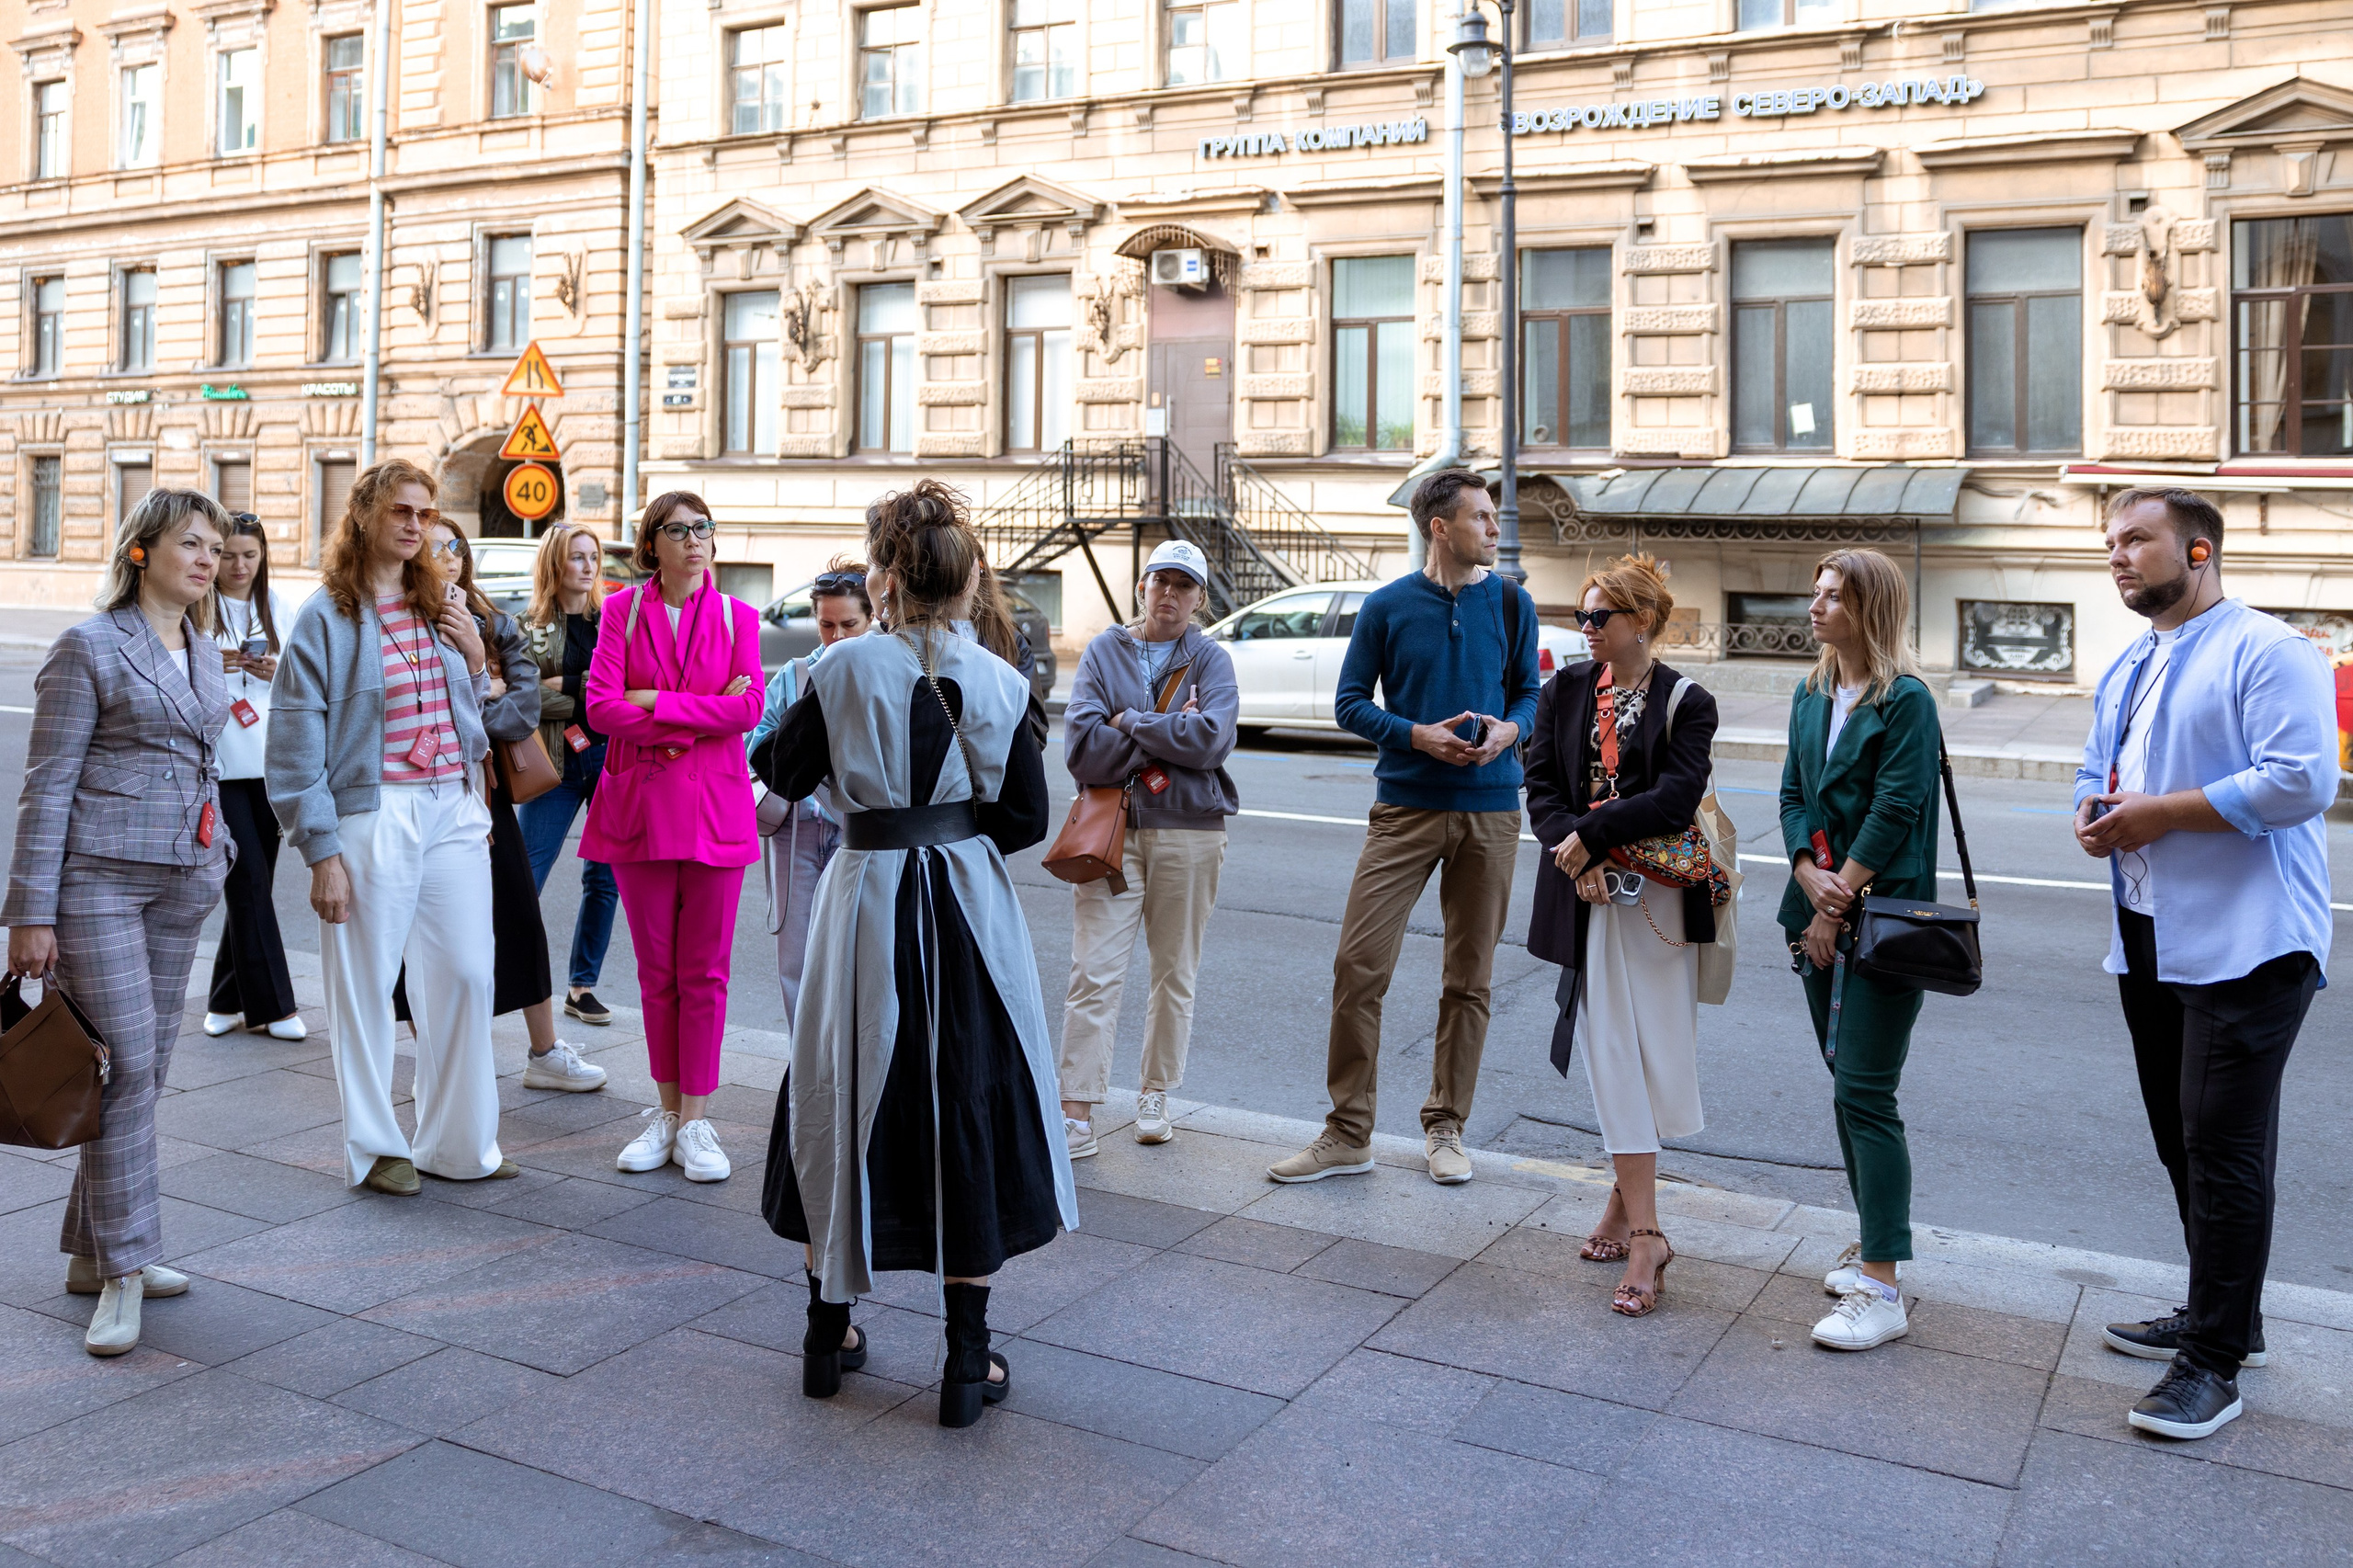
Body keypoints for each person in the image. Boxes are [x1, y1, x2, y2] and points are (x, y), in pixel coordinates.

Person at [753, 480, 1073, 1430]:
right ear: (969, 580)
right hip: (966, 908)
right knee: (965, 1100)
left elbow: (782, 769)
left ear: (884, 577)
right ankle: (965, 1363)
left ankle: (826, 1334)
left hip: (865, 899)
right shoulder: (1003, 683)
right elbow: (1023, 818)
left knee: (841, 1090)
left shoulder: (840, 668)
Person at [2073, 487, 2336, 1442]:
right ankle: (2226, 1312)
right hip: (2150, 932)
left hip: (2251, 939)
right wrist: (2091, 816)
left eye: (2135, 538)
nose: (2117, 555)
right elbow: (2092, 768)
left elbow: (2303, 777)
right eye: (2109, 541)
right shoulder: (2130, 663)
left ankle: (2212, 1364)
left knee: (2222, 1149)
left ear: (2196, 551)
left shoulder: (2266, 649)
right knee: (2182, 1138)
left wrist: (2160, 812)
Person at [5, 489, 232, 1356]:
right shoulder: (89, 647)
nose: (207, 559)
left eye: (215, 546)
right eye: (190, 543)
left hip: (185, 878)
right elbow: (46, 784)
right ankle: (127, 1269)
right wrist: (29, 912)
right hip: (97, 882)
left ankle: (90, 1252)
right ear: (142, 551)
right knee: (125, 1065)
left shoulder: (204, 648)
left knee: (143, 1070)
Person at [1268, 469, 1540, 1187]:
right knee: (1359, 967)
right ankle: (1348, 1132)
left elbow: (1529, 695)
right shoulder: (1387, 606)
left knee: (1469, 979)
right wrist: (1417, 736)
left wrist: (1510, 731)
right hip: (1404, 808)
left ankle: (1447, 1126)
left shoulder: (1513, 604)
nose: (1493, 528)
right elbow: (1350, 703)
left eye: (1493, 515)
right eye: (1481, 517)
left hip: (1490, 810)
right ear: (1439, 527)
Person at [267, 458, 517, 1197]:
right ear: (365, 518)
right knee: (364, 984)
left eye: (426, 515)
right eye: (402, 512)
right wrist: (322, 851)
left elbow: (471, 719)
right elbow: (292, 744)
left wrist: (473, 658)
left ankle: (457, 1142)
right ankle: (377, 1149)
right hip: (371, 811)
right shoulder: (327, 616)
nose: (416, 526)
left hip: (452, 805)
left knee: (468, 975)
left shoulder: (441, 603)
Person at [1524, 553, 1718, 1317]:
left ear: (1641, 622)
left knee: (1654, 1055)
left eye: (1599, 617)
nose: (1586, 629)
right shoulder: (1566, 688)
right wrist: (1575, 857)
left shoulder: (1687, 701)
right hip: (1590, 899)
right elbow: (1539, 783)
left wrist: (1594, 836)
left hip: (1659, 904)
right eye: (1581, 616)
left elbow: (1677, 797)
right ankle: (1647, 1233)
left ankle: (1617, 1206)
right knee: (1611, 1054)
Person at [1778, 548, 1940, 1353]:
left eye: (1834, 596)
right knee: (1846, 1086)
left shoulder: (1904, 700)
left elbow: (1898, 804)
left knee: (1867, 1096)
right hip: (1818, 909)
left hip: (1881, 923)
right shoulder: (1812, 694)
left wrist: (1836, 900)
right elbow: (1792, 796)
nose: (1816, 607)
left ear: (1869, 609)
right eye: (1816, 593)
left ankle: (1882, 1284)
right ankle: (1874, 1250)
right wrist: (1807, 876)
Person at [583, 491, 763, 1182]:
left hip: (714, 811)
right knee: (657, 974)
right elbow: (601, 709)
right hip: (640, 811)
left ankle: (696, 1120)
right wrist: (703, 712)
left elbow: (748, 709)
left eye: (705, 529)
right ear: (650, 543)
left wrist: (654, 701)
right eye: (679, 529)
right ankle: (665, 1113)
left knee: (706, 974)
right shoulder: (621, 613)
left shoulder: (736, 615)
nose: (695, 540)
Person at [390, 524, 606, 1095]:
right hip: (414, 797)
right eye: (435, 546)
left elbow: (518, 715)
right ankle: (433, 1055)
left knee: (518, 916)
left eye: (455, 545)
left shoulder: (494, 623)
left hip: (484, 796)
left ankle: (544, 1051)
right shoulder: (394, 623)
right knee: (418, 931)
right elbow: (426, 718)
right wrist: (482, 686)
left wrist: (476, 666)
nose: (449, 557)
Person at [1056, 539, 1239, 1156]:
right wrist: (1170, 732)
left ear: (1199, 599)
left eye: (1183, 586)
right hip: (1114, 833)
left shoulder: (1210, 659)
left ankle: (1155, 1095)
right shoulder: (1106, 649)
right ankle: (1076, 1111)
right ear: (1142, 588)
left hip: (1191, 830)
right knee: (1094, 971)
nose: (1170, 594)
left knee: (1174, 972)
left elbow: (1212, 741)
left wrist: (1127, 721)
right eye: (1160, 581)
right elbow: (1080, 749)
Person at [746, 560, 872, 1027]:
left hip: (858, 836)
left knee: (857, 959)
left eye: (849, 625)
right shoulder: (797, 674)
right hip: (794, 831)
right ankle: (804, 1079)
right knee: (795, 960)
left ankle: (848, 1072)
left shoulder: (883, 675)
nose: (836, 636)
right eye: (826, 625)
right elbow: (753, 743)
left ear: (874, 618)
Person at [202, 511, 304, 1042]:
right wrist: (207, 664)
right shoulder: (198, 605)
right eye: (228, 554)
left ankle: (225, 995)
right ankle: (276, 1007)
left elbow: (311, 675)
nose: (238, 566)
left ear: (263, 557)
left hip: (271, 763)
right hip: (218, 765)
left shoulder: (282, 607)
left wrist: (279, 667)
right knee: (246, 880)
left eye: (249, 555)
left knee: (255, 881)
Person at [519, 524, 620, 1028]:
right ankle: (506, 974)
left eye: (592, 557)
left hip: (609, 761)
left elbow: (623, 692)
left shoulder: (614, 622)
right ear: (554, 564)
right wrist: (586, 695)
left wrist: (568, 684)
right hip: (551, 763)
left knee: (604, 879)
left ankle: (582, 987)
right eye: (576, 557)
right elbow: (523, 696)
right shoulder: (527, 626)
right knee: (523, 873)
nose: (587, 567)